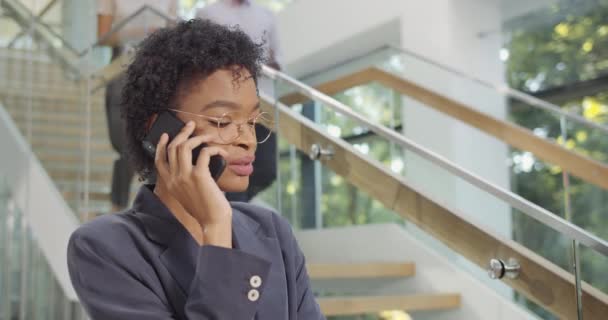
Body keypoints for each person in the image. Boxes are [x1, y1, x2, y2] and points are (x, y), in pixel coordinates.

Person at [67, 19, 325, 319]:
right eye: (222, 122)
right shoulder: (105, 246)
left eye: (253, 122)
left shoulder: (271, 230)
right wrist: (216, 228)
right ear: (163, 131)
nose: (248, 141)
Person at [96, 0, 179, 212]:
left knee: (157, 144)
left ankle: (156, 210)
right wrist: (141, 31)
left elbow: (175, 32)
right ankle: (118, 207)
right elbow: (103, 36)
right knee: (125, 145)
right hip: (122, 69)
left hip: (159, 71)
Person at [197, 0, 281, 202]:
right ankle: (232, 209)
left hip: (262, 103)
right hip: (225, 105)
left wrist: (251, 63)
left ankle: (234, 204)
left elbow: (279, 61)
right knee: (227, 165)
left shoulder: (267, 16)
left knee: (267, 169)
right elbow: (199, 59)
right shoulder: (207, 13)